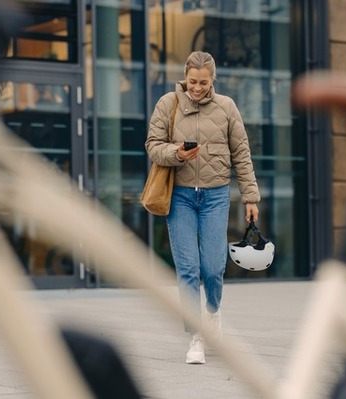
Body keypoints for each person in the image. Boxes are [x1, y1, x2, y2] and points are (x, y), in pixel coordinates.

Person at [145, 51, 260, 364]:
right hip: (180, 196)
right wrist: (178, 154)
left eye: (203, 82)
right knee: (188, 270)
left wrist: (250, 197)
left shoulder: (226, 107)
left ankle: (212, 312)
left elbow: (242, 153)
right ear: (185, 77)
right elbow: (153, 147)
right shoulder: (168, 104)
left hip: (215, 196)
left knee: (212, 268)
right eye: (192, 82)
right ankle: (196, 337)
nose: (196, 88)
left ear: (213, 80)